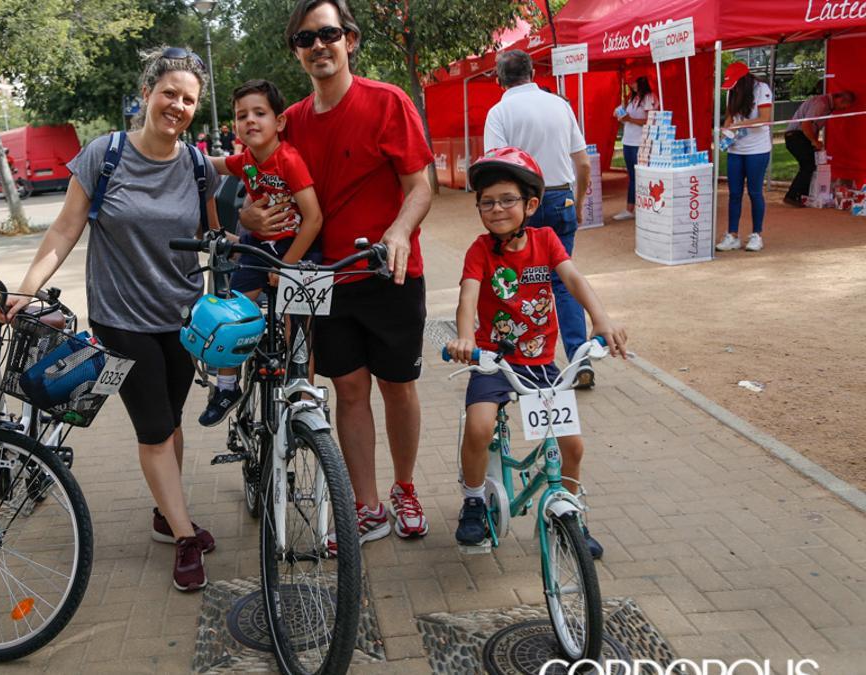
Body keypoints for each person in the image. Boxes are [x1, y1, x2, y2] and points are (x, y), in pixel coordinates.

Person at [0, 47, 220, 592]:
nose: (178, 105)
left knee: (169, 422)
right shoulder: (106, 155)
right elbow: (64, 229)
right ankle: (186, 538)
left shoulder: (197, 165)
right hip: (122, 320)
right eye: (169, 93)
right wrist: (26, 290)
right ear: (146, 94)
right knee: (152, 431)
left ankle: (169, 516)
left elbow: (216, 236)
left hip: (185, 319)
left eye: (189, 99)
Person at [241, 0, 435, 550]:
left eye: (328, 33)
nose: (318, 45)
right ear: (296, 51)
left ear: (349, 40)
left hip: (389, 272)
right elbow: (259, 184)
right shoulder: (292, 121)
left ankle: (404, 487)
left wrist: (399, 231)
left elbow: (421, 186)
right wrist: (246, 216)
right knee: (348, 391)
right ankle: (366, 505)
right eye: (306, 38)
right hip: (321, 279)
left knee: (398, 386)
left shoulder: (388, 102)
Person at [445, 147, 629, 558]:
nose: (496, 209)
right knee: (479, 427)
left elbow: (574, 280)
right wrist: (465, 339)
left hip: (542, 364)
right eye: (487, 202)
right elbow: (468, 297)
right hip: (493, 361)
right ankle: (473, 500)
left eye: (507, 199)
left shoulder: (546, 241)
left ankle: (572, 513)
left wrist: (601, 321)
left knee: (572, 447)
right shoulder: (479, 251)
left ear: (530, 204)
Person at [199, 79, 323, 426]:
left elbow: (313, 219)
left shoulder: (289, 160)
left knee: (297, 324)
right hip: (258, 246)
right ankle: (226, 387)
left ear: (279, 122)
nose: (250, 121)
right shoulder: (248, 160)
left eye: (259, 113)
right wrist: (182, 155)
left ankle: (303, 397)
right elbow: (214, 164)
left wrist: (287, 266)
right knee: (234, 313)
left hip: (297, 247)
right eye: (241, 115)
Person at [483, 50, 595, 389]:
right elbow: (584, 163)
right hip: (561, 196)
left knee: (514, 280)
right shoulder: (559, 105)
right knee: (564, 281)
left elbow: (495, 167)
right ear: (532, 72)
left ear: (500, 79)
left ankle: (520, 358)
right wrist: (577, 202)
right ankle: (579, 359)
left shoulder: (499, 113)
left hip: (520, 203)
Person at [716, 62, 773, 253]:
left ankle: (757, 234)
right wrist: (725, 133)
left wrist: (742, 124)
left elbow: (765, 118)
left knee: (755, 192)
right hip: (736, 150)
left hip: (757, 149)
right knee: (734, 193)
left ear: (744, 80)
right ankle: (732, 235)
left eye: (734, 83)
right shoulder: (732, 92)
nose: (732, 87)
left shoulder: (761, 89)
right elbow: (729, 118)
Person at [783, 90, 856, 207]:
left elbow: (813, 127)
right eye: (843, 107)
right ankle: (792, 196)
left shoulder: (826, 105)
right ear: (840, 100)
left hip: (800, 136)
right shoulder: (821, 104)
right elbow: (806, 125)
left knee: (810, 165)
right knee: (808, 165)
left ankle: (801, 195)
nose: (842, 110)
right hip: (796, 136)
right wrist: (814, 141)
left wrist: (814, 143)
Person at [612, 76, 657, 221]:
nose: (630, 83)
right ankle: (630, 209)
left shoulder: (649, 97)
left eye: (633, 81)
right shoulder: (632, 98)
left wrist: (629, 119)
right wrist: (620, 115)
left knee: (642, 176)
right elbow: (627, 119)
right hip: (628, 141)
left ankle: (644, 208)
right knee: (632, 176)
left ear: (640, 82)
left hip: (640, 143)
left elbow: (650, 121)